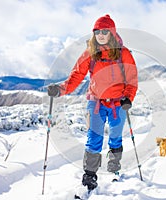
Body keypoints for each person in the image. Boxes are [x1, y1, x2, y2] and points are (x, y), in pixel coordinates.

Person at [47, 14, 138, 196]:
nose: (101, 34)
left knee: (115, 136)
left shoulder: (123, 53)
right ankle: (89, 176)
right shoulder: (89, 53)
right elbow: (76, 76)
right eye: (97, 31)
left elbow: (132, 79)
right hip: (95, 102)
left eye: (105, 31)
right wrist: (60, 89)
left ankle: (114, 168)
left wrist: (128, 98)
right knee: (94, 138)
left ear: (111, 33)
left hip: (118, 103)